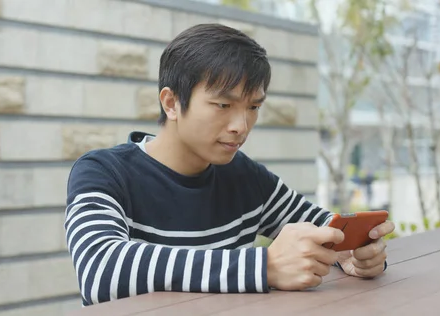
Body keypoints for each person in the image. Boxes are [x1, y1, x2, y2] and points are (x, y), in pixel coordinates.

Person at [64, 23, 395, 306]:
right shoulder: (103, 172)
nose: (241, 125)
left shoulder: (243, 175)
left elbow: (326, 229)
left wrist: (350, 255)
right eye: (223, 104)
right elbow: (100, 271)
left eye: (253, 107)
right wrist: (264, 267)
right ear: (171, 103)